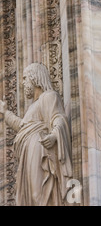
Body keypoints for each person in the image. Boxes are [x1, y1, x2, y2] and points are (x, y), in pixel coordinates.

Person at [0, 63, 73, 205]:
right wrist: (5, 113)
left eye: (25, 78)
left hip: (40, 150)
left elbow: (58, 117)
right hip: (29, 152)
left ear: (35, 78)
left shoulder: (49, 96)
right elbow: (23, 126)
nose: (23, 82)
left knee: (38, 191)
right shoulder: (32, 107)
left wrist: (54, 135)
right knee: (30, 195)